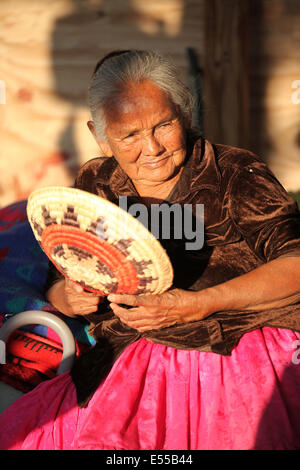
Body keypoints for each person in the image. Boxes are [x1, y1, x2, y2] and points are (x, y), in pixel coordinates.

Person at [1, 49, 300, 450]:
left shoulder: (233, 172)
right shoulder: (97, 183)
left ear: (185, 114)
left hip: (232, 343)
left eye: (164, 125)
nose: (153, 147)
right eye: (130, 135)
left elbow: (295, 263)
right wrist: (71, 297)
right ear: (100, 137)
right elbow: (60, 280)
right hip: (125, 356)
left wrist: (202, 303)